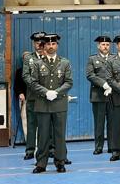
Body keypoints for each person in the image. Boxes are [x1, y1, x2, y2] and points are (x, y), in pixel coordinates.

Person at [31, 34, 73, 174]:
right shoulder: (37, 63)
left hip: (59, 104)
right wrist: (45, 92)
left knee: (59, 135)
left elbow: (69, 82)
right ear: (44, 46)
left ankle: (60, 162)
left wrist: (56, 92)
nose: (51, 46)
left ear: (57, 46)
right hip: (42, 104)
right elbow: (33, 83)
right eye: (48, 44)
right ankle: (41, 163)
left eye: (53, 44)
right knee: (42, 135)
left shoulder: (64, 63)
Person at [85, 35, 113, 155]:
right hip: (98, 96)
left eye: (107, 45)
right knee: (99, 123)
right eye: (103, 44)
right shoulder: (92, 59)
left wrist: (112, 86)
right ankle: (99, 146)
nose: (105, 47)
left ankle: (113, 146)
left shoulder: (114, 58)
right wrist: (104, 85)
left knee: (113, 122)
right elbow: (90, 75)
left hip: (112, 95)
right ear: (98, 46)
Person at [21, 32, 47, 161]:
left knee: (49, 125)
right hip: (32, 96)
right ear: (33, 44)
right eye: (37, 43)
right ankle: (30, 150)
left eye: (42, 43)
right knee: (32, 125)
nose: (40, 46)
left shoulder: (50, 57)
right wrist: (38, 88)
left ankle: (51, 149)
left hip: (48, 98)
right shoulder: (28, 58)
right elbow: (25, 76)